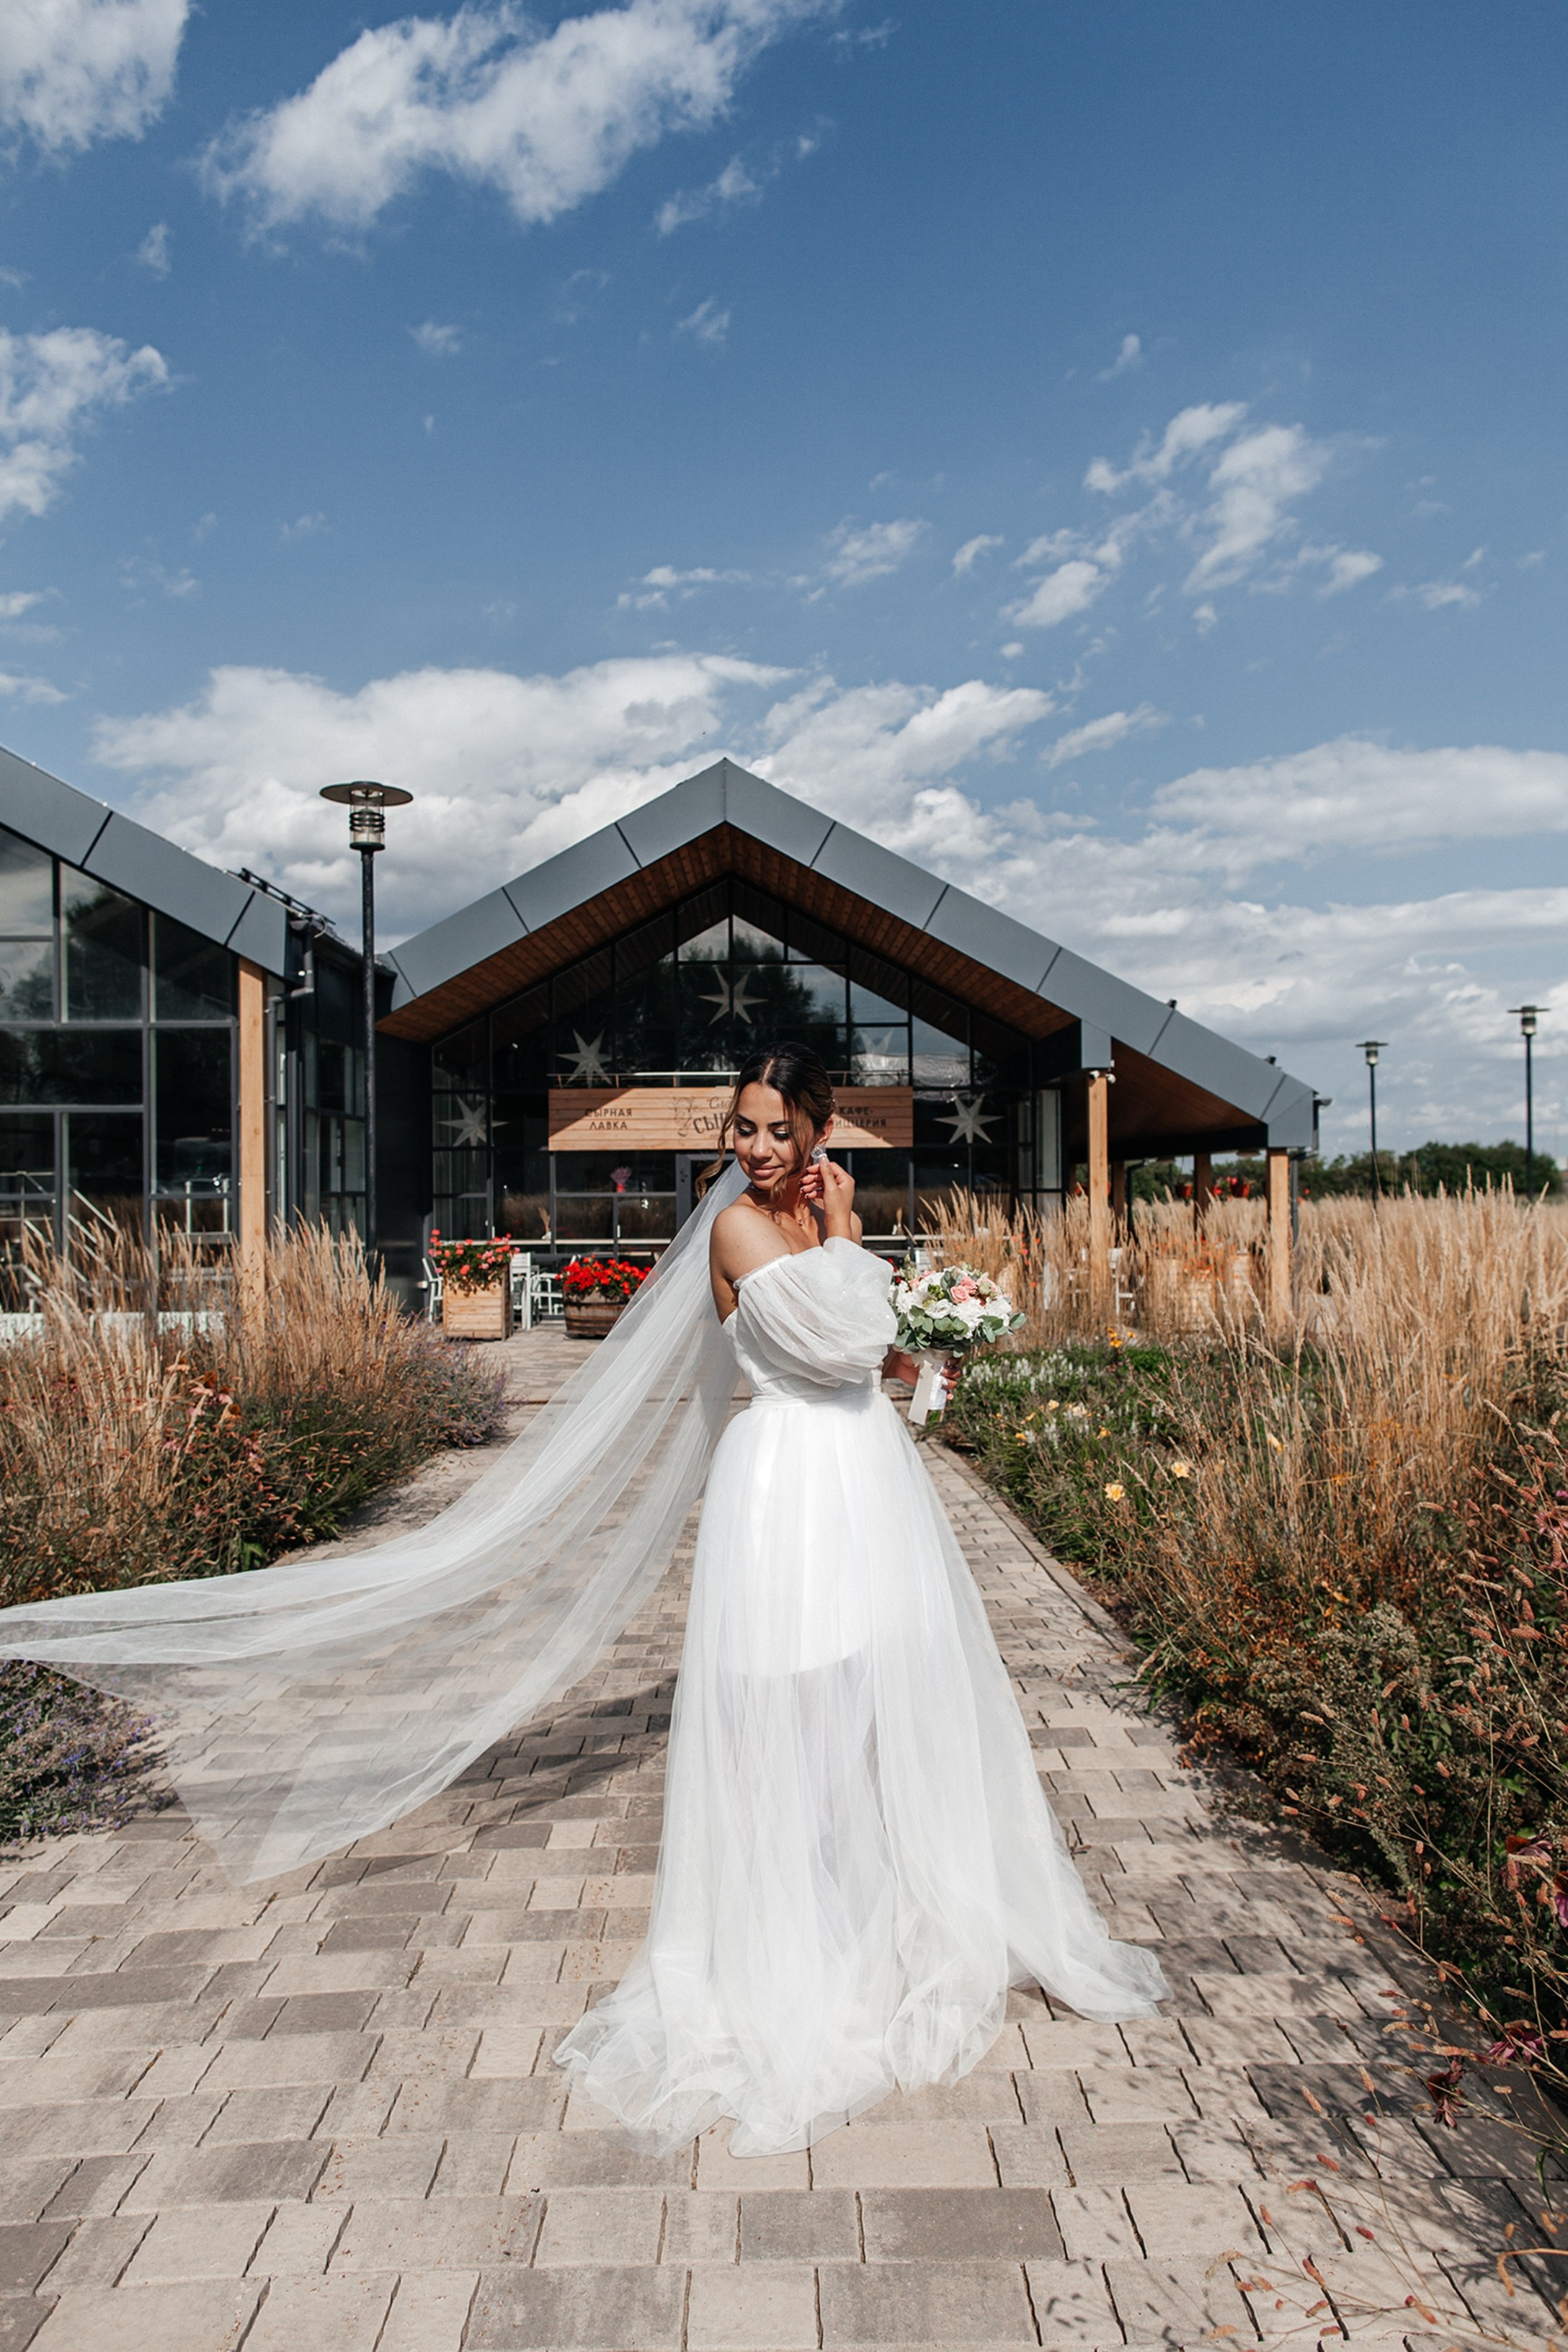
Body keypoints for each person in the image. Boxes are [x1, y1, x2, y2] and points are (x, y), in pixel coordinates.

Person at [553, 1042, 1167, 2155]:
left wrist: (928, 1356)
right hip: (789, 1480)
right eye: (742, 1128)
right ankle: (791, 1937)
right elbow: (838, 1333)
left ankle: (868, 1907)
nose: (754, 1149)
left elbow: (866, 1355)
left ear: (817, 1133)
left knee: (871, 1690)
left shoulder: (813, 1226)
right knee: (788, 1697)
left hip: (865, 1472)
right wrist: (854, 1241)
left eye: (777, 1131)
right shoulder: (740, 1226)